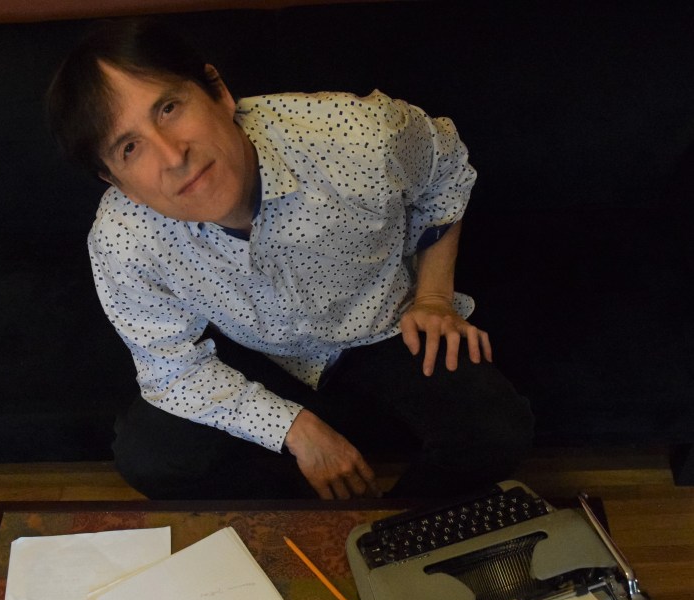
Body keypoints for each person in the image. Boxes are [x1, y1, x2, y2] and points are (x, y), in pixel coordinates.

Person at [46, 16, 533, 501]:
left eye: (169, 108)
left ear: (218, 92)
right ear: (116, 181)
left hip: (381, 326)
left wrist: (434, 297)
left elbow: (446, 171)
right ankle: (316, 513)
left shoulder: (359, 134)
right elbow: (171, 369)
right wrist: (295, 429)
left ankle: (391, 528)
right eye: (130, 148)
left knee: (496, 429)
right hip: (259, 352)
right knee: (149, 455)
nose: (173, 157)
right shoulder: (121, 237)